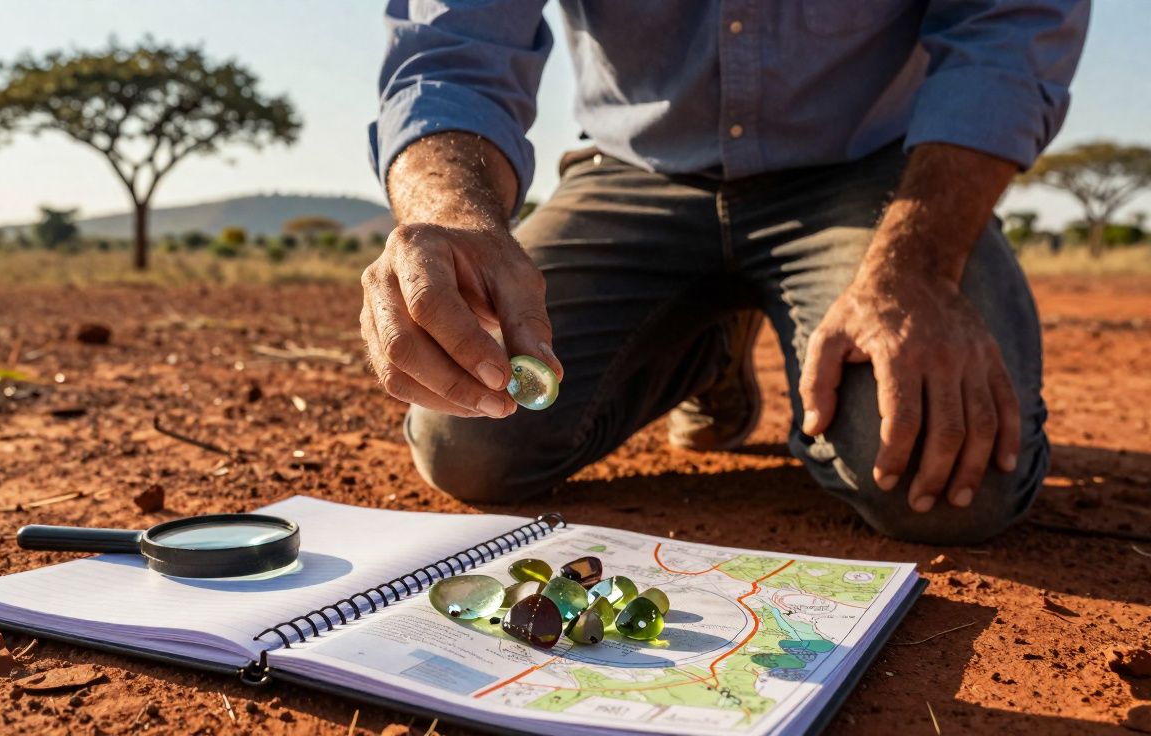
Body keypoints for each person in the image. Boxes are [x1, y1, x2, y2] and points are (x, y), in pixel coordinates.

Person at [359, 1, 1089, 545]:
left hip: (873, 172)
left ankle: (790, 306)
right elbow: (450, 52)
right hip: (638, 171)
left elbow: (1012, 27)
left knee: (944, 483)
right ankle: (706, 348)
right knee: (471, 442)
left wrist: (921, 265)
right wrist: (451, 217)